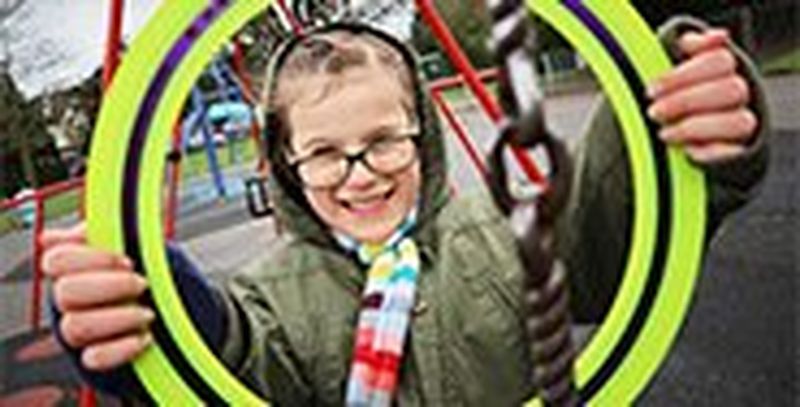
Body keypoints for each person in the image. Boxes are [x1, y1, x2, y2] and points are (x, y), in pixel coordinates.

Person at [41, 17, 768, 406]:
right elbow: (237, 362)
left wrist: (665, 109)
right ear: (287, 167)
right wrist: (147, 307)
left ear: (421, 133)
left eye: (384, 140)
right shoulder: (272, 293)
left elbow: (610, 240)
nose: (358, 173)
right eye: (325, 153)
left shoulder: (500, 233)